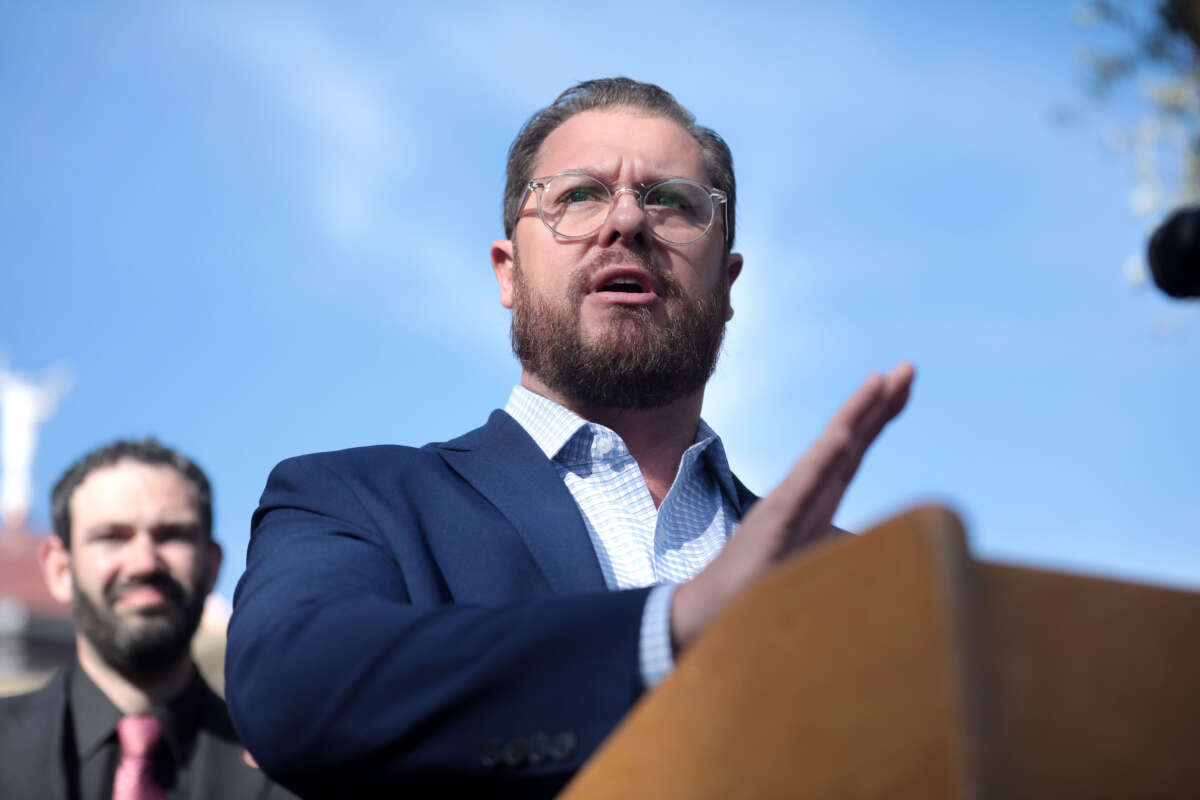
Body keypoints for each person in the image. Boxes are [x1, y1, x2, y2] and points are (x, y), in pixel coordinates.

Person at [225, 77, 914, 798]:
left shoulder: (839, 576)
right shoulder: (357, 501)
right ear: (508, 273)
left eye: (674, 201)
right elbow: (292, 692)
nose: (627, 222)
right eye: (577, 196)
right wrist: (667, 629)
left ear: (729, 283)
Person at [0, 439, 295, 799]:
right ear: (61, 569)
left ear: (213, 565)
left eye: (171, 535)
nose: (144, 562)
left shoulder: (289, 772)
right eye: (111, 537)